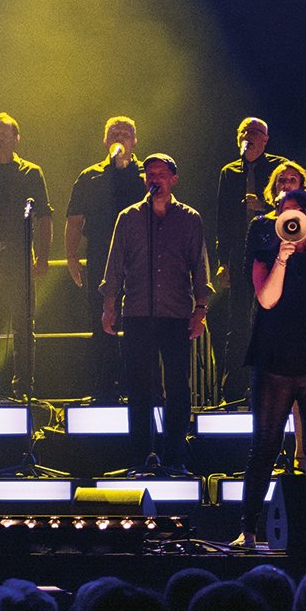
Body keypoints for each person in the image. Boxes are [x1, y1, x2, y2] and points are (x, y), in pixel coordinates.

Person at [236, 188, 306, 547]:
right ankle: (249, 528)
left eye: (298, 213)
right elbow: (267, 299)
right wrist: (281, 259)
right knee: (263, 448)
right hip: (274, 363)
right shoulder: (266, 255)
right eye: (284, 212)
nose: (292, 218)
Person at [101, 153, 212, 474]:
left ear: (173, 179)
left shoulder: (190, 218)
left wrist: (201, 308)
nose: (155, 178)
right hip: (137, 311)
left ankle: (174, 456)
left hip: (176, 312)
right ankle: (141, 457)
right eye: (150, 173)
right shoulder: (129, 217)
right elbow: (115, 265)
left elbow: (199, 267)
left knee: (178, 387)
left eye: (161, 173)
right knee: (138, 389)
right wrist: (109, 305)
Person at [0, 112, 52, 400]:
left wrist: (42, 257)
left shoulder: (31, 173)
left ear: (17, 138)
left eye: (4, 132)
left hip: (19, 258)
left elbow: (44, 216)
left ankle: (23, 388)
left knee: (22, 324)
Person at [66, 116, 147, 399]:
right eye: (115, 132)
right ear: (105, 140)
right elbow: (75, 219)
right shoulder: (90, 176)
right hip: (101, 255)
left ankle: (137, 388)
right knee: (103, 321)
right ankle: (104, 389)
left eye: (126, 133)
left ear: (134, 140)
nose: (120, 137)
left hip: (140, 259)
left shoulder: (145, 174)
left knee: (139, 323)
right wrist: (71, 256)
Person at [212, 117, 282, 402]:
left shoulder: (278, 167)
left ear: (265, 140)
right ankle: (234, 390)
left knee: (269, 319)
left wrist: (263, 206)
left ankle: (270, 385)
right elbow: (222, 219)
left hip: (270, 255)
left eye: (255, 133)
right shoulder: (229, 172)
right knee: (238, 321)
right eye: (244, 132)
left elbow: (289, 207)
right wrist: (222, 260)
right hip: (240, 254)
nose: (249, 137)